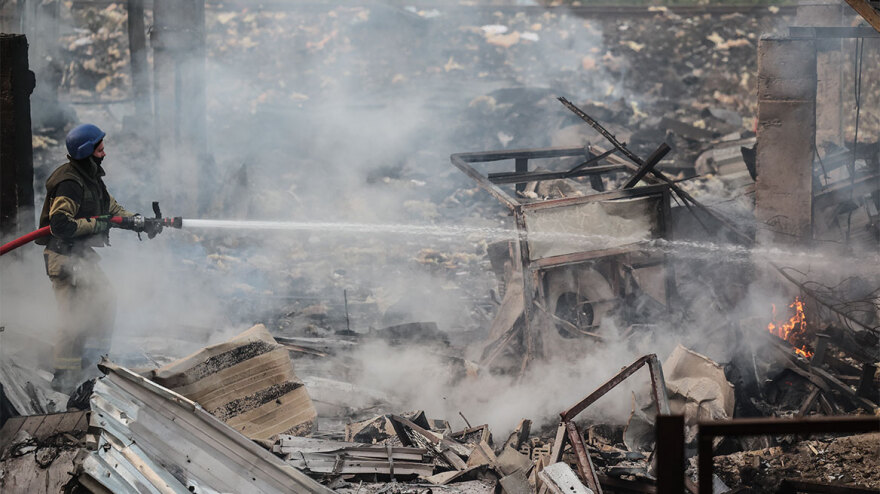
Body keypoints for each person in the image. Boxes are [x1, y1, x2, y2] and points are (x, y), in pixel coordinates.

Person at [37, 123, 148, 392]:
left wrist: (139, 222)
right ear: (87, 152)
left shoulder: (90, 176)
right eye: (100, 149)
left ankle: (92, 366)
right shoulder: (69, 183)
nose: (104, 153)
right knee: (71, 319)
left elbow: (110, 208)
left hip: (81, 257)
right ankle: (63, 378)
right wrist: (100, 225)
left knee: (104, 301)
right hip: (64, 260)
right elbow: (60, 226)